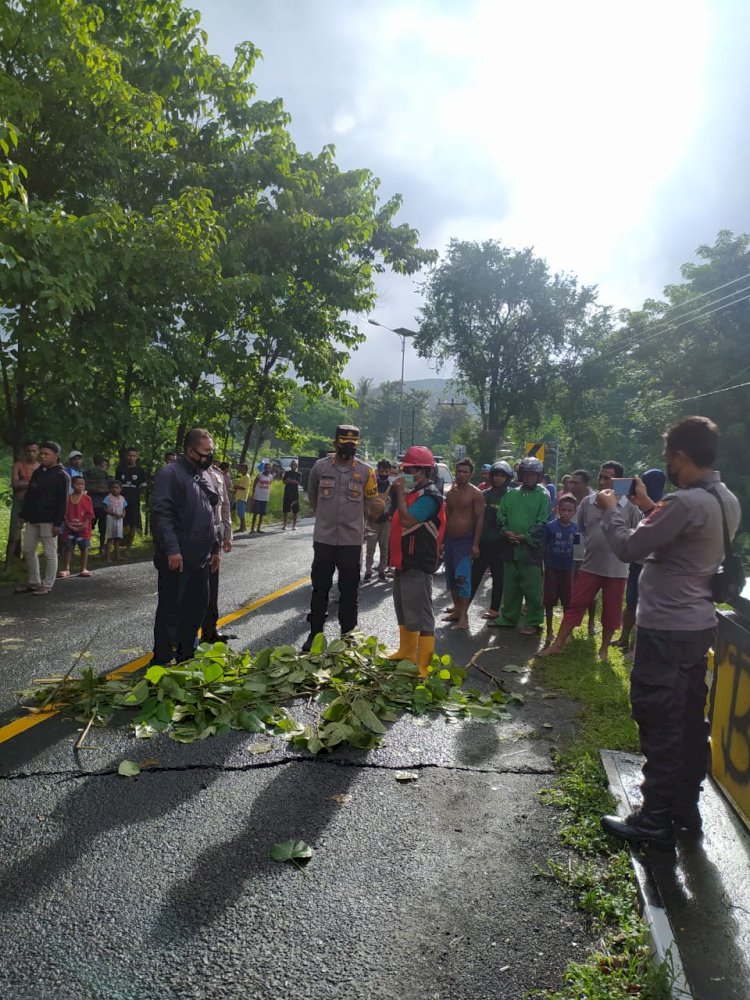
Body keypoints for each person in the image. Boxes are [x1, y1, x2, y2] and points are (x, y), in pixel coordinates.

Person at [597, 416, 741, 849]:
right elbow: (677, 538)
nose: (668, 465)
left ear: (680, 455)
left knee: (660, 719)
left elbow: (629, 548)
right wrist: (645, 506)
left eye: (669, 458)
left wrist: (612, 511)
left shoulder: (683, 502)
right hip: (697, 626)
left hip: (665, 630)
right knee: (689, 720)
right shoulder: (724, 498)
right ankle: (683, 807)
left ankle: (653, 818)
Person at [540, 461, 641, 660]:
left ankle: (603, 650)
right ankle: (558, 644)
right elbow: (582, 531)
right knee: (576, 604)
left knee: (611, 612)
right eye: (600, 477)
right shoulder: (588, 502)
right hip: (590, 565)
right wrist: (580, 558)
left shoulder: (630, 506)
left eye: (608, 478)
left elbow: (636, 534)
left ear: (619, 480)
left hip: (617, 570)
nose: (602, 481)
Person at [302, 424, 382, 652]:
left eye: (353, 444)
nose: (349, 447)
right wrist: (325, 520)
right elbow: (314, 497)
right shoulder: (320, 468)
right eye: (344, 442)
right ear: (335, 443)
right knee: (320, 587)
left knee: (350, 590)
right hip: (324, 539)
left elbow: (371, 503)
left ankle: (348, 635)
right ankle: (315, 634)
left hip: (351, 541)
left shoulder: (367, 472)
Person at [150, 428, 221, 665]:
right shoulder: (170, 474)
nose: (210, 456)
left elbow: (208, 515)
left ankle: (185, 656)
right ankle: (161, 660)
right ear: (190, 450)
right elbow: (161, 515)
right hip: (178, 558)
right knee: (171, 611)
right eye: (206, 452)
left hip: (200, 558)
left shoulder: (198, 475)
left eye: (211, 451)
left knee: (196, 608)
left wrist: (215, 548)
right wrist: (172, 549)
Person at [387, 446, 446, 675]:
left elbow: (407, 520)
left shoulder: (430, 496)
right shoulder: (413, 494)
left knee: (421, 614)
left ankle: (424, 664)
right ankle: (407, 651)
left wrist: (399, 494)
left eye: (409, 470)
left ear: (422, 472)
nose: (405, 474)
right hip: (403, 561)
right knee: (403, 608)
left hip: (418, 562)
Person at [491, 456, 549, 634]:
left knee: (532, 589)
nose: (529, 478)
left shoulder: (543, 495)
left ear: (539, 476)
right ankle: (508, 617)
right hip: (510, 547)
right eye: (526, 474)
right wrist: (506, 531)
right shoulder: (511, 494)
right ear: (520, 475)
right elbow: (501, 517)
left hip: (530, 550)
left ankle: (533, 621)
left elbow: (542, 521)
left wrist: (526, 537)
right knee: (510, 586)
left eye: (533, 475)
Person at [613, 469, 667, 656]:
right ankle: (623, 639)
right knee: (631, 603)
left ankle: (636, 648)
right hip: (637, 563)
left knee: (644, 608)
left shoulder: (663, 506)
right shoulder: (637, 503)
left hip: (651, 566)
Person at [15, 441, 69, 595]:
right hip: (33, 518)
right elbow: (30, 495)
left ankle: (47, 584)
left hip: (50, 519)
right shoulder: (39, 472)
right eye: (42, 453)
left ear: (56, 456)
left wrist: (58, 522)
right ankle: (34, 581)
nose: (43, 456)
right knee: (28, 549)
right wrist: (23, 515)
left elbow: (63, 501)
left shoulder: (61, 475)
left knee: (49, 552)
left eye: (47, 454)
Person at [442, 458, 484, 630]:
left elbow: (480, 519)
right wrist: (442, 541)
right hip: (449, 541)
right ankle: (457, 610)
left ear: (471, 474)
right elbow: (447, 517)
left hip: (465, 542)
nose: (461, 475)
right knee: (451, 578)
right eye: (459, 471)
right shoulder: (451, 493)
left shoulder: (475, 494)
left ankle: (464, 615)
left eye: (465, 472)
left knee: (463, 578)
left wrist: (475, 544)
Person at [470, 461, 514, 618]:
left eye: (502, 476)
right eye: (495, 475)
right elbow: (476, 518)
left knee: (498, 577)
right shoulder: (485, 494)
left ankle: (495, 609)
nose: (498, 478)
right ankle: (462, 608)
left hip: (501, 543)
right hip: (483, 541)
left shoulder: (511, 496)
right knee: (474, 576)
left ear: (507, 478)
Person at [200, 460, 235, 644]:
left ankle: (210, 630)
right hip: (194, 538)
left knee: (212, 588)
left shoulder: (218, 474)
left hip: (215, 538)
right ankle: (180, 637)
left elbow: (225, 506)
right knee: (190, 590)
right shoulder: (190, 473)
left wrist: (228, 535)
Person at [543, 493, 578, 646]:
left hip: (567, 570)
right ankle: (549, 630)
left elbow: (578, 551)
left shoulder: (575, 529)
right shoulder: (550, 527)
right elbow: (543, 547)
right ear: (557, 509)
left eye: (569, 511)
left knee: (567, 601)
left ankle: (565, 632)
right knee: (549, 601)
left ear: (574, 512)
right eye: (563, 510)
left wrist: (577, 570)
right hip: (552, 568)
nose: (566, 513)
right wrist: (545, 565)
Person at [568, 468, 597, 635]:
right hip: (572, 546)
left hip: (590, 548)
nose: (571, 485)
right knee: (572, 585)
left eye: (576, 483)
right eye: (570, 482)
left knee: (591, 587)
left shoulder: (595, 501)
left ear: (585, 484)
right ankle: (572, 621)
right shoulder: (568, 500)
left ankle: (591, 622)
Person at [6, 441, 39, 563]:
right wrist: (32, 483)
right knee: (14, 535)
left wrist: (24, 482)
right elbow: (15, 484)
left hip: (34, 504)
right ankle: (8, 564)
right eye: (29, 451)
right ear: (25, 452)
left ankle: (27, 563)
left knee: (32, 535)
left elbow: (42, 487)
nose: (31, 453)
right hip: (19, 502)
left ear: (38, 452)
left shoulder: (40, 467)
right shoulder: (18, 465)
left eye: (34, 451)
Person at [58, 476, 95, 578]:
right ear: (72, 485)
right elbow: (64, 514)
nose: (80, 486)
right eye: (77, 484)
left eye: (82, 484)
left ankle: (83, 568)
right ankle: (66, 569)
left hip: (83, 528)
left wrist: (85, 525)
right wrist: (68, 524)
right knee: (68, 547)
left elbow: (89, 514)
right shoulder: (67, 498)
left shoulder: (87, 499)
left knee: (84, 547)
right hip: (69, 527)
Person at [364, 459, 393, 581]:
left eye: (386, 471)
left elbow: (396, 505)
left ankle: (382, 571)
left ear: (390, 472)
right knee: (370, 548)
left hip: (386, 521)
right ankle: (368, 571)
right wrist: (369, 515)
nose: (384, 473)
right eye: (381, 471)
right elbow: (366, 501)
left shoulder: (392, 487)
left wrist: (387, 515)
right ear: (377, 470)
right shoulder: (372, 485)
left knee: (384, 547)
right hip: (372, 521)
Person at [115, 447, 147, 550]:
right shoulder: (120, 469)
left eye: (133, 456)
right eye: (129, 455)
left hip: (134, 500)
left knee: (133, 523)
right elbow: (116, 484)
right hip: (121, 501)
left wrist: (137, 494)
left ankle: (129, 545)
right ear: (126, 456)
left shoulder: (140, 471)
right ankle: (119, 544)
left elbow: (143, 486)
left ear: (136, 457)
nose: (131, 458)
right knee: (121, 522)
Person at [85, 455, 111, 553]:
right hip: (102, 503)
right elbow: (110, 485)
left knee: (89, 526)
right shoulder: (104, 473)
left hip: (92, 502)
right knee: (102, 527)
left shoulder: (89, 472)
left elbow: (86, 485)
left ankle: (86, 546)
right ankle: (101, 547)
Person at [103, 480, 127, 561]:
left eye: (117, 488)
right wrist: (113, 513)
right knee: (110, 538)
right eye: (113, 488)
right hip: (111, 519)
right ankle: (108, 556)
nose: (115, 489)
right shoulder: (108, 497)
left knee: (117, 538)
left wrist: (123, 514)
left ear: (120, 489)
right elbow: (105, 508)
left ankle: (117, 555)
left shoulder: (122, 498)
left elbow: (124, 508)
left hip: (119, 520)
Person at [250, 461, 274, 533]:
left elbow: (269, 485)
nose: (267, 469)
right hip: (258, 497)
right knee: (255, 513)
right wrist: (253, 494)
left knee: (262, 514)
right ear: (264, 468)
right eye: (266, 468)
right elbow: (254, 484)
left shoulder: (271, 477)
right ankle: (252, 529)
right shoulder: (260, 475)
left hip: (265, 497)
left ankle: (258, 528)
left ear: (271, 469)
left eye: (269, 468)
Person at [282, 460, 302, 531]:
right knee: (285, 510)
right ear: (290, 466)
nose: (293, 466)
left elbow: (298, 482)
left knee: (295, 510)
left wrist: (290, 481)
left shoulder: (298, 474)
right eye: (292, 465)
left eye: (295, 465)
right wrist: (290, 481)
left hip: (295, 494)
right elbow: (284, 481)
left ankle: (294, 525)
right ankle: (284, 525)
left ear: (297, 466)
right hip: (287, 493)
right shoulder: (287, 473)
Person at [233, 463, 250, 532]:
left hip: (242, 497)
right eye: (241, 468)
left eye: (243, 468)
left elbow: (244, 487)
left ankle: (242, 528)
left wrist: (236, 486)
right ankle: (243, 527)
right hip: (239, 496)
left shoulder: (246, 477)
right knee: (240, 512)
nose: (242, 470)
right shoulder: (243, 477)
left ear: (246, 469)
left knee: (241, 513)